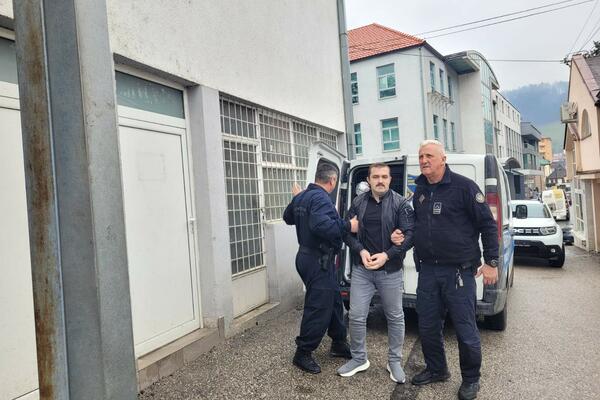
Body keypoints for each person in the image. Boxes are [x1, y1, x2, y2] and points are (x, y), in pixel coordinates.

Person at [392, 140, 498, 400]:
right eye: (421, 156)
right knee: (427, 326)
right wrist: (401, 237)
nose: (424, 160)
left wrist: (491, 262)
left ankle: (471, 379)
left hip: (458, 273)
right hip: (428, 271)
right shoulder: (419, 190)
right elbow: (417, 227)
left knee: (465, 328)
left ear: (443, 159)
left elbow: (487, 224)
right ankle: (437, 369)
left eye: (429, 155)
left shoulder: (464, 187)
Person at [336, 163, 414, 384]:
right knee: (356, 316)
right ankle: (359, 359)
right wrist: (360, 251)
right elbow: (347, 232)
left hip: (390, 270)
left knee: (395, 317)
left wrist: (387, 255)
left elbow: (410, 235)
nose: (380, 180)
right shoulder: (358, 202)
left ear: (390, 180)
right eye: (376, 177)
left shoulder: (400, 203)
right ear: (368, 180)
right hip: (363, 271)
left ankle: (394, 362)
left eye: (384, 177)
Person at [283, 162, 358, 374]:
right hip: (317, 260)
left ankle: (338, 343)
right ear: (332, 180)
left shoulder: (303, 196)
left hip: (309, 258)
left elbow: (287, 217)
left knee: (333, 300)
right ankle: (303, 352)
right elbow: (321, 226)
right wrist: (349, 225)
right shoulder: (321, 198)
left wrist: (297, 199)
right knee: (318, 306)